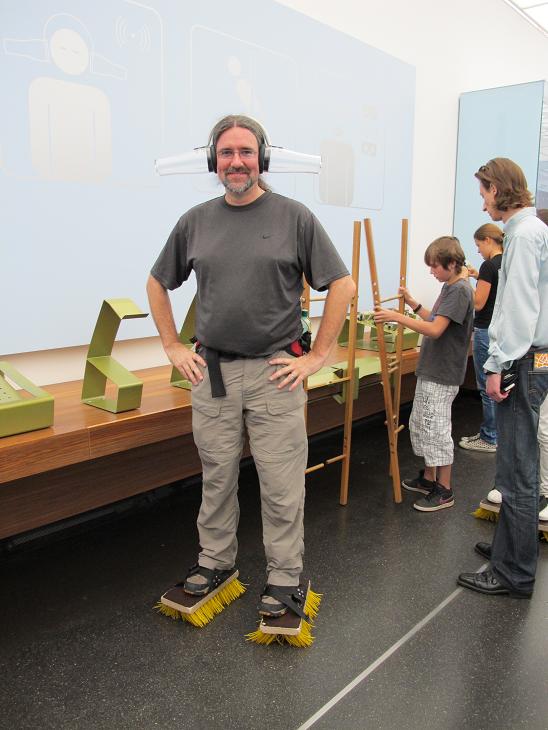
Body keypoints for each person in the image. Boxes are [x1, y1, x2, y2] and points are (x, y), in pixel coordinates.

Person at [147, 114, 355, 620]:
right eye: (226, 153)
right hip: (212, 376)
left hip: (274, 375)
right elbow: (157, 282)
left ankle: (285, 577)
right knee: (216, 479)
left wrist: (318, 357)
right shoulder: (195, 221)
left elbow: (342, 284)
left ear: (261, 158)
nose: (235, 162)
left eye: (245, 152)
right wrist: (173, 345)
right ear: (213, 161)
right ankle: (216, 562)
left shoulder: (294, 217)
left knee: (281, 484)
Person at [457, 159, 548, 598]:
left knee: (517, 471)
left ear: (497, 189)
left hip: (523, 360)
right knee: (516, 466)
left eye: (483, 193)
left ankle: (514, 572)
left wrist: (498, 365)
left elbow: (518, 308)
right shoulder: (531, 232)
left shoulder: (524, 235)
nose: (482, 203)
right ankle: (508, 549)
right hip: (535, 359)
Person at [374, 236, 474, 512]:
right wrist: (413, 304)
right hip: (434, 369)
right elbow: (435, 319)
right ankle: (430, 479)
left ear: (451, 264)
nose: (431, 271)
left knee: (437, 431)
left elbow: (435, 330)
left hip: (442, 373)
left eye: (435, 266)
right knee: (423, 425)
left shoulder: (460, 290)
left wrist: (397, 317)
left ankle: (444, 490)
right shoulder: (450, 286)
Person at [459, 224, 503, 453]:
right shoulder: (505, 262)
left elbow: (478, 303)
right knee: (498, 385)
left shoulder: (489, 265)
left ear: (487, 240)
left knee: (486, 386)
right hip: (500, 330)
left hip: (485, 330)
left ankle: (489, 437)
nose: (478, 250)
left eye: (478, 245)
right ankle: (494, 432)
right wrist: (478, 276)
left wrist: (465, 280)